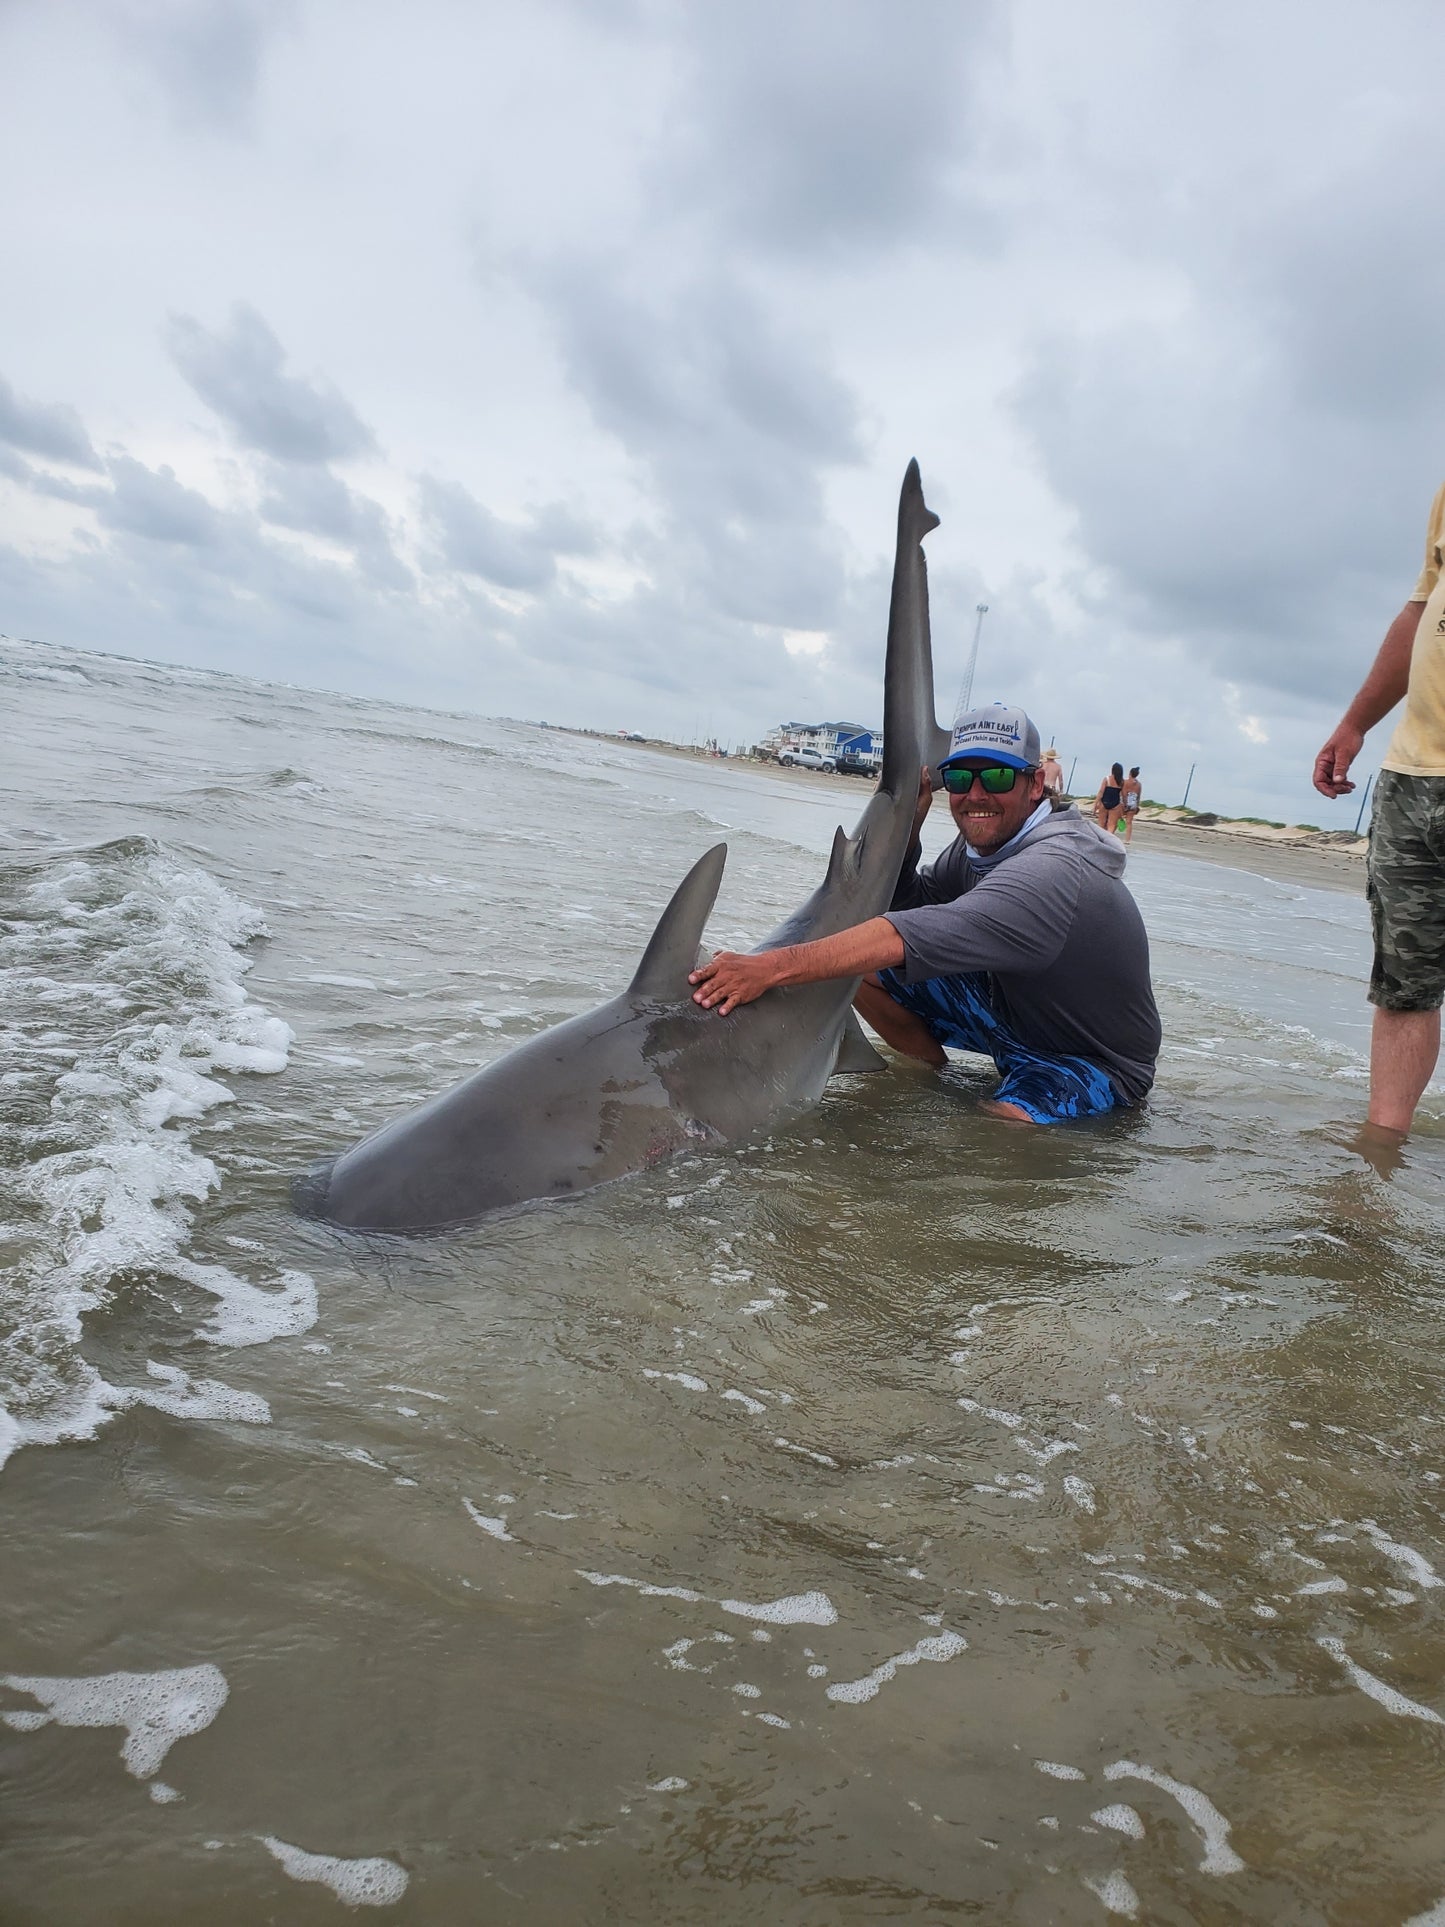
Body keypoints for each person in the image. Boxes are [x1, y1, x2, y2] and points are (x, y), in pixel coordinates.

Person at [690, 703, 1161, 1124]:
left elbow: (906, 934)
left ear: (1035, 783)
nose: (975, 795)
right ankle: (927, 1080)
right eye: (959, 778)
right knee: (859, 969)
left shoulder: (1051, 872)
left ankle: (1005, 1109)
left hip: (1089, 1060)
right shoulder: (982, 849)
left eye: (996, 776)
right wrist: (909, 829)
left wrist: (768, 968)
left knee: (1003, 1130)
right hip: (1013, 1018)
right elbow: (913, 902)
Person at [1314, 480, 1445, 1143]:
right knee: (1403, 981)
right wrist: (1355, 722)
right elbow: (1420, 609)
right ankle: (1379, 1155)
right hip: (1413, 774)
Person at [1094, 762, 1125, 834]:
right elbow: (1122, 795)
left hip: (1104, 802)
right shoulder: (1122, 781)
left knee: (1101, 824)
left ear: (1112, 770)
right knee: (1111, 825)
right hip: (1115, 803)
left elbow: (1101, 792)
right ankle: (1108, 840)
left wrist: (1095, 804)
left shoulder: (1107, 779)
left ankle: (1101, 840)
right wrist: (1124, 805)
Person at [1121, 767, 1142, 843]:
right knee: (1129, 822)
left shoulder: (1125, 782)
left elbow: (1123, 793)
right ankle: (1127, 839)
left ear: (1130, 773)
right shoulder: (1139, 784)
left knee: (1118, 818)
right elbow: (1138, 796)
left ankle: (1114, 833)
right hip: (1133, 803)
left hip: (1125, 801)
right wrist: (1137, 806)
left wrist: (1124, 803)